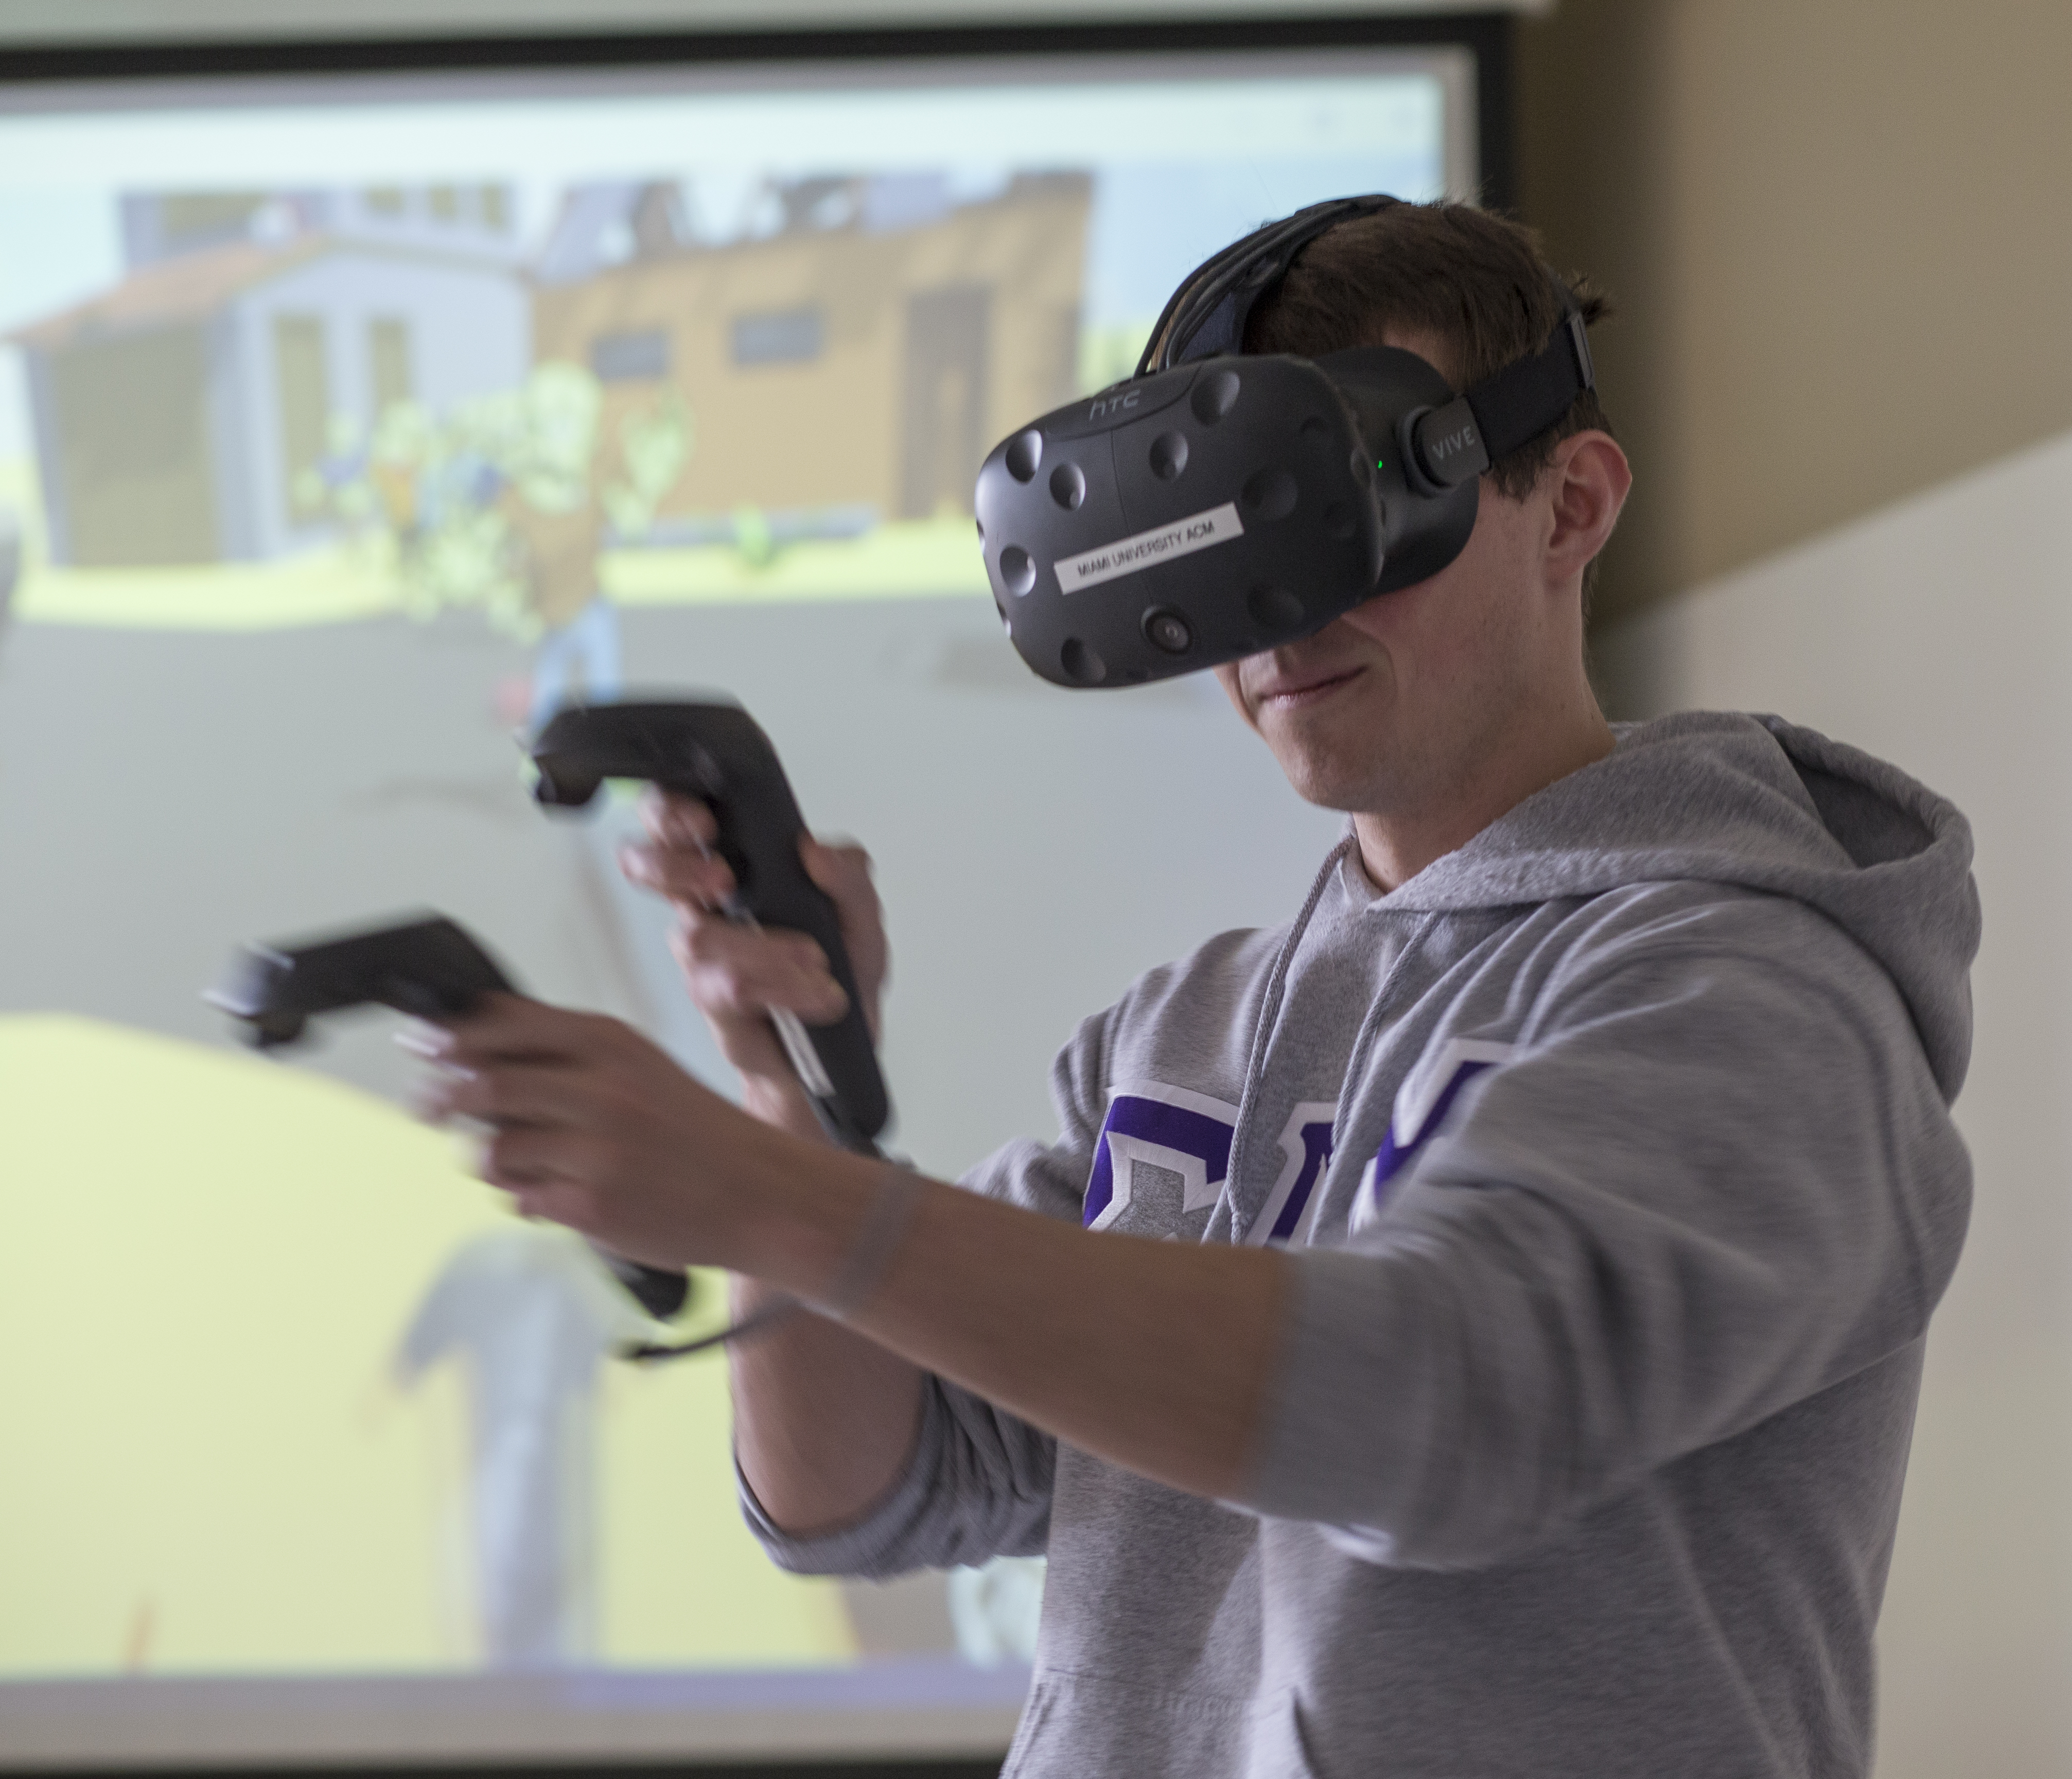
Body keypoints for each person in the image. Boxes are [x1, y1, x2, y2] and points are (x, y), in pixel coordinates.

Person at [415, 201, 1979, 1777]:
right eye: (1235, 549)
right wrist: (795, 1110)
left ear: (1568, 504)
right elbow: (862, 1490)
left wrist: (793, 1208)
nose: (1284, 619)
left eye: (1337, 514)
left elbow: (1437, 1402)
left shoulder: (1752, 993)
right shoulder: (1188, 1038)